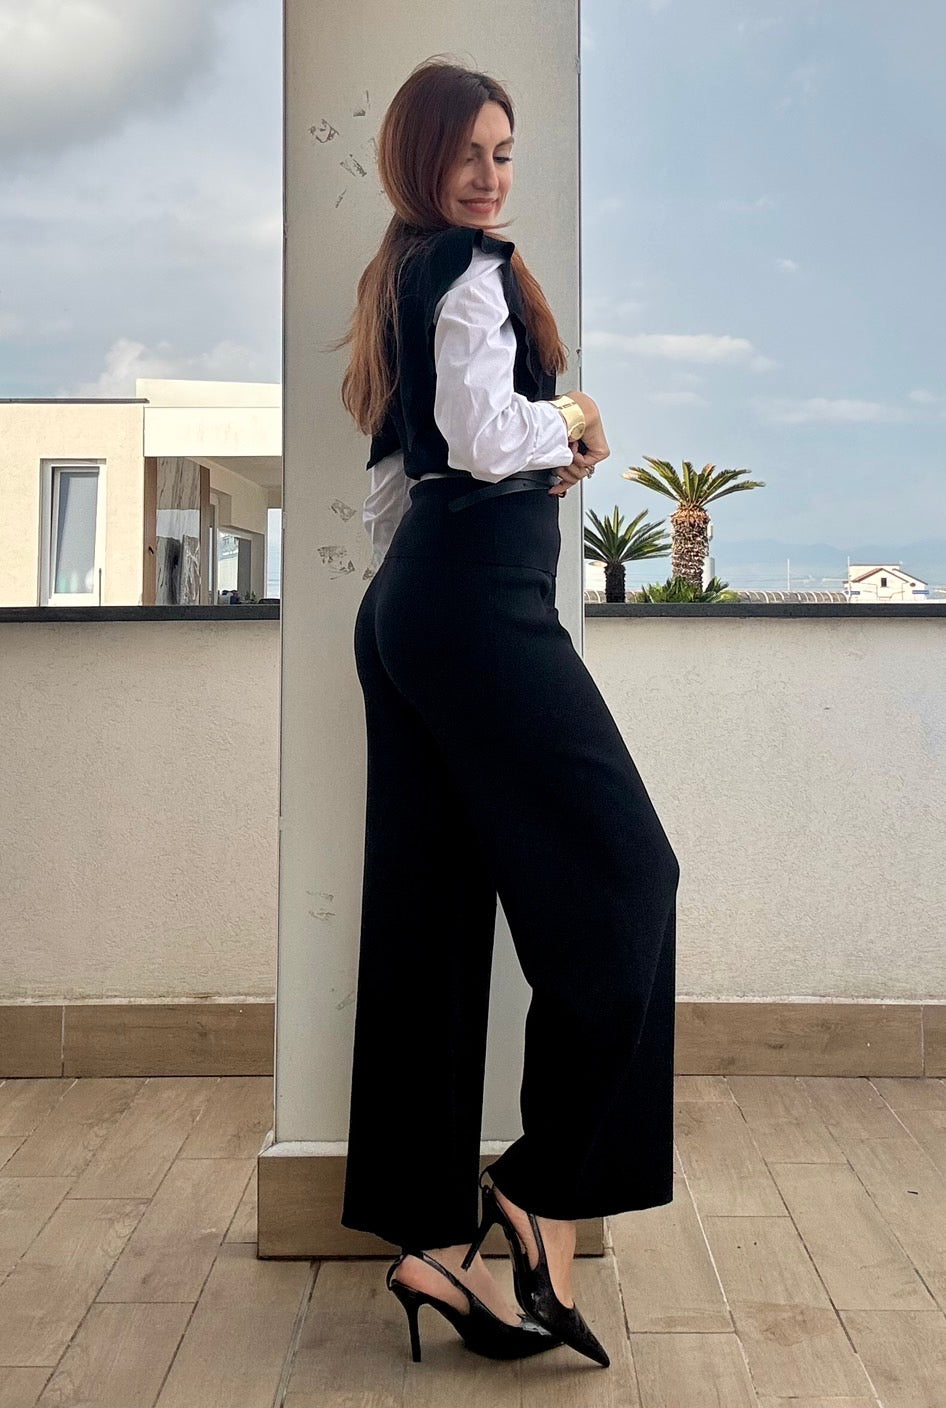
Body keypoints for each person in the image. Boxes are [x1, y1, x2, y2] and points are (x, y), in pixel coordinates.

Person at [331, 56, 680, 1369]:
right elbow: (481, 439)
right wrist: (568, 419)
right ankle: (538, 1187)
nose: (490, 175)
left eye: (504, 151)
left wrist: (525, 467)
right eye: (467, 152)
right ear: (418, 158)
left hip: (416, 607)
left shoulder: (400, 273)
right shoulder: (466, 269)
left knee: (425, 919)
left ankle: (428, 1241)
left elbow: (406, 474)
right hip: (471, 609)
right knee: (629, 879)